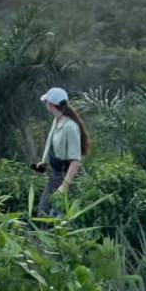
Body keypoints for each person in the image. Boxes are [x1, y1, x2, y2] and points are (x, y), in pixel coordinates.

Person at [33, 87, 91, 215]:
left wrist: (64, 186)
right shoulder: (56, 120)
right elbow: (52, 146)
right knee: (43, 212)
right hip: (56, 174)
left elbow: (75, 161)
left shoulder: (70, 127)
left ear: (51, 105)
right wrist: (43, 164)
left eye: (46, 102)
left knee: (63, 215)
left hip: (70, 176)